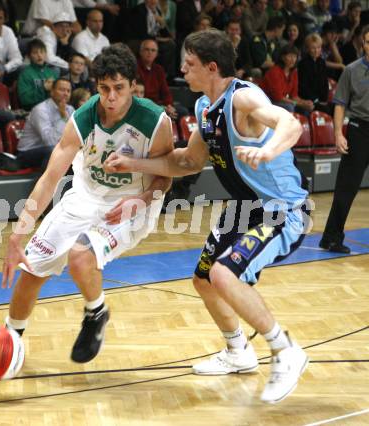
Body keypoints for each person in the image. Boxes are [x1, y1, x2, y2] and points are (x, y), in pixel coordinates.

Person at [104, 29, 311, 404]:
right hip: (244, 209)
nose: (182, 68)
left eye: (190, 63)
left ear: (212, 67)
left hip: (283, 209)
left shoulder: (243, 98)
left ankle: (286, 351)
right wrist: (131, 163)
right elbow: (187, 161)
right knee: (204, 279)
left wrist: (268, 152)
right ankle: (238, 352)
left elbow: (291, 124)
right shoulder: (204, 107)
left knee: (222, 273)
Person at [0, 43, 173, 365]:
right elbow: (50, 177)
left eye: (119, 88)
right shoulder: (83, 116)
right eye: (104, 88)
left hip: (132, 202)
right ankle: (9, 339)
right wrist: (16, 235)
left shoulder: (155, 121)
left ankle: (95, 313)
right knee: (31, 270)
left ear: (133, 86)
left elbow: (167, 176)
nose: (110, 97)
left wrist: (144, 198)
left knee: (80, 258)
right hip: (84, 195)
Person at [319, 25, 369, 254]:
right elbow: (339, 104)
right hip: (359, 130)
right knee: (346, 188)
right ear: (362, 44)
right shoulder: (351, 70)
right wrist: (338, 133)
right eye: (367, 41)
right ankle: (331, 238)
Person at [16, 78, 74, 169]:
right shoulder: (40, 110)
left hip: (53, 149)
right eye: (62, 90)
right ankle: (47, 183)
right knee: (53, 151)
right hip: (27, 152)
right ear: (52, 92)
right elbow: (49, 141)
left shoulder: (70, 109)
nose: (66, 93)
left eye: (68, 91)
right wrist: (63, 118)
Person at [260, 44, 313, 113]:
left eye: (295, 56)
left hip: (281, 101)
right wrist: (300, 104)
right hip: (267, 101)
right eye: (290, 56)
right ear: (282, 57)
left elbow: (294, 96)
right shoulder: (274, 71)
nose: (293, 59)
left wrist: (305, 102)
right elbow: (278, 97)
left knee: (307, 108)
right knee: (289, 107)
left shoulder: (294, 72)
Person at [17, 38, 59, 111]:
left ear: (45, 54)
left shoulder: (52, 73)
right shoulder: (25, 74)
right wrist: (43, 88)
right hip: (33, 111)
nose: (39, 55)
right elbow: (24, 99)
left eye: (42, 52)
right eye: (35, 53)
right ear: (29, 56)